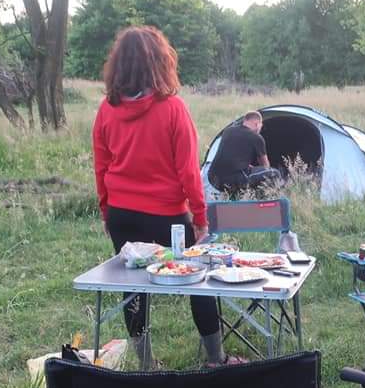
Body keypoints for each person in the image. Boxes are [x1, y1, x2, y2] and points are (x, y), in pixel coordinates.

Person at [92, 25, 245, 368]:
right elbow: (188, 172)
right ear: (161, 62)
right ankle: (216, 359)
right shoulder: (173, 108)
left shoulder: (106, 110)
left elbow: (101, 167)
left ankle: (146, 365)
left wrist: (106, 211)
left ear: (118, 65)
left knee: (133, 287)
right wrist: (200, 218)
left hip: (122, 213)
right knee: (197, 279)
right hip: (168, 216)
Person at [208, 111, 282, 193]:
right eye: (261, 125)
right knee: (274, 173)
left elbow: (231, 155)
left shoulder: (228, 131)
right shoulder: (256, 137)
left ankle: (236, 195)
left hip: (213, 178)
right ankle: (266, 197)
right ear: (257, 124)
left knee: (246, 173)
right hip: (232, 181)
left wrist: (247, 166)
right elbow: (265, 165)